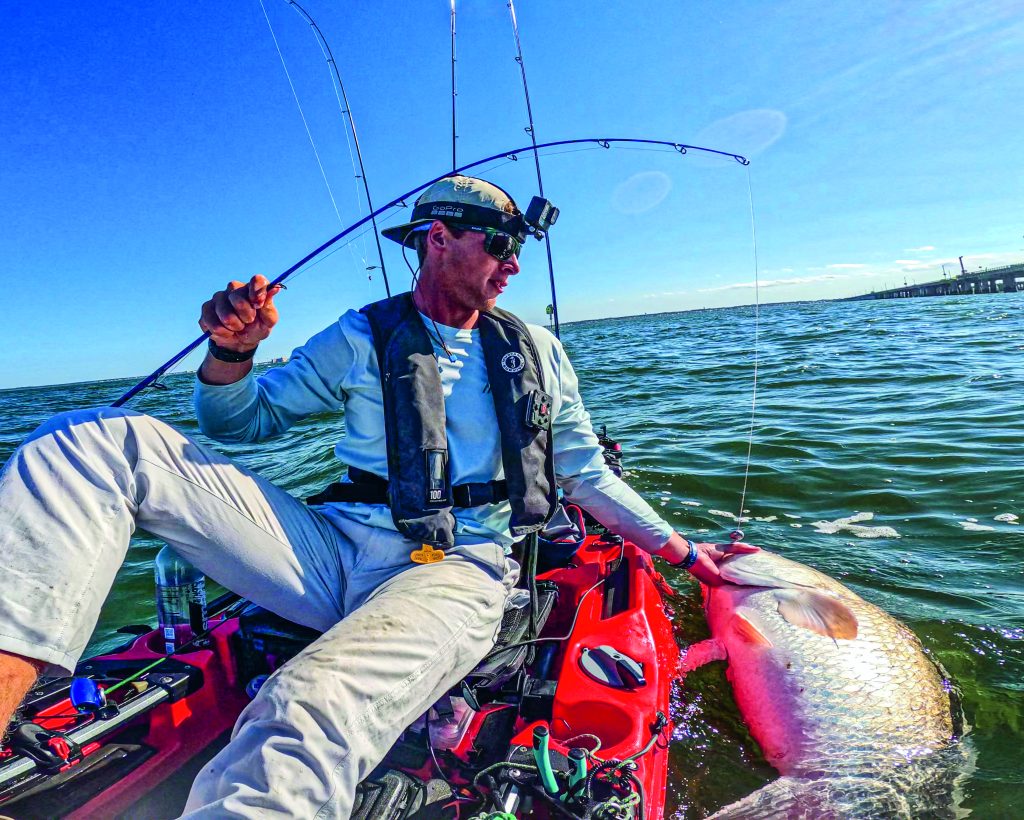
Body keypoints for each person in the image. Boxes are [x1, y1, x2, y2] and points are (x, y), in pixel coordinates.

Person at [0, 175, 756, 816]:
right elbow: (241, 421)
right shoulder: (359, 334)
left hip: (457, 568)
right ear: (436, 236)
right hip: (333, 551)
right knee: (91, 438)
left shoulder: (540, 352)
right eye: (498, 243)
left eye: (519, 250)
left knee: (307, 705)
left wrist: (689, 554)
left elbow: (585, 471)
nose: (512, 265)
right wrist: (233, 351)